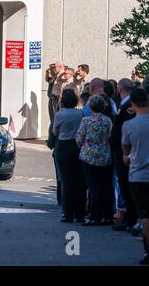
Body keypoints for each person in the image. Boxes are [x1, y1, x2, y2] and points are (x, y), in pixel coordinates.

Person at [76, 94, 114, 226]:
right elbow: (110, 136)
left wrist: (83, 145)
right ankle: (107, 215)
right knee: (105, 186)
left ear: (90, 106)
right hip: (105, 156)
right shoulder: (108, 121)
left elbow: (79, 139)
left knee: (93, 186)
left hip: (89, 156)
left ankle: (94, 215)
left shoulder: (86, 121)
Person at [122, 88, 149, 265]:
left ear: (132, 104)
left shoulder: (129, 125)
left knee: (146, 216)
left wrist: (128, 158)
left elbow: (126, 150)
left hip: (139, 174)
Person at [53, 89, 86, 222]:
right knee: (79, 181)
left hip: (63, 146)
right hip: (77, 146)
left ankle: (67, 213)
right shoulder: (80, 113)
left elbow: (55, 132)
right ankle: (80, 213)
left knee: (66, 181)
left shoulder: (59, 114)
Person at [110, 78, 136, 231]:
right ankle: (130, 218)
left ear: (120, 90)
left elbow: (122, 131)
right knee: (125, 187)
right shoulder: (126, 105)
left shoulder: (128, 106)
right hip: (122, 151)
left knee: (126, 187)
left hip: (124, 153)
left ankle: (131, 219)